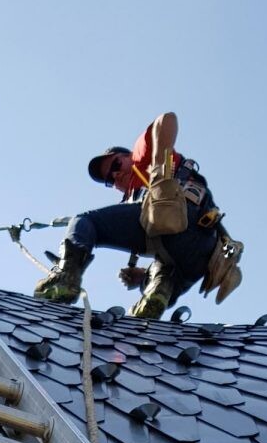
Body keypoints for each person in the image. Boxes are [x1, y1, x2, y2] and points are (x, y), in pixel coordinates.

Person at [33, 112, 242, 318]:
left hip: (182, 215)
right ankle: (155, 297)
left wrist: (161, 172)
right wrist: (142, 276)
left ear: (128, 156)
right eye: (109, 179)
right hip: (200, 252)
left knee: (84, 222)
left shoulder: (142, 159)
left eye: (116, 165)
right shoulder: (132, 198)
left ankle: (66, 276)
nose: (115, 174)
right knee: (161, 274)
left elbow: (167, 120)